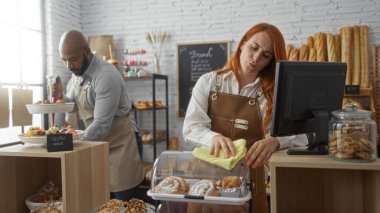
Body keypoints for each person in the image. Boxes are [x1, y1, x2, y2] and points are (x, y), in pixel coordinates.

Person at [183, 23, 308, 213]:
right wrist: (213, 138)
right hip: (206, 182)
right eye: (254, 47)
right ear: (243, 43)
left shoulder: (274, 95)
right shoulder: (208, 82)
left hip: (250, 182)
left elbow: (303, 134)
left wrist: (276, 141)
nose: (256, 58)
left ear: (271, 61)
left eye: (265, 55)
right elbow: (192, 128)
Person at [53, 30, 143, 201]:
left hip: (120, 145)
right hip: (97, 144)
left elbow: (101, 124)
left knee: (122, 204)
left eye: (73, 59)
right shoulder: (77, 74)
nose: (68, 66)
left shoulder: (105, 76)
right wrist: (61, 97)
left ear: (87, 52)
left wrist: (72, 142)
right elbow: (72, 105)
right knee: (102, 202)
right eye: (64, 60)